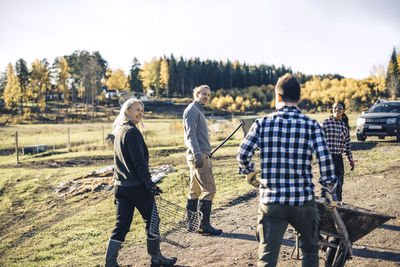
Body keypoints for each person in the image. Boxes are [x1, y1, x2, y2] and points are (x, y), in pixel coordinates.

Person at [237, 73, 337, 267]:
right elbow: (326, 163)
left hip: (271, 201)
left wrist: (250, 171)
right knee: (310, 252)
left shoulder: (261, 123)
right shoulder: (311, 125)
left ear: (278, 96)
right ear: (299, 99)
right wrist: (328, 188)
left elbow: (242, 155)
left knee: (267, 258)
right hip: (303, 202)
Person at [105, 98, 177, 267]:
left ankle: (110, 263)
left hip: (121, 188)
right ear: (127, 111)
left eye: (142, 110)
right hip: (136, 187)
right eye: (137, 109)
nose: (141, 113)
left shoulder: (119, 131)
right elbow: (139, 163)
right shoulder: (131, 132)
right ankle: (156, 258)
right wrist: (150, 184)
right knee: (153, 221)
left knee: (121, 226)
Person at [183, 85, 222, 236]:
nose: (206, 97)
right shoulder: (192, 110)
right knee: (210, 189)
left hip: (199, 155)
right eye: (203, 94)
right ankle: (204, 225)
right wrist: (198, 154)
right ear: (196, 94)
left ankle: (192, 225)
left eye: (208, 95)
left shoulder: (198, 110)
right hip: (199, 157)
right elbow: (190, 135)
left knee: (195, 191)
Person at [321, 101, 354, 203]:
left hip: (338, 159)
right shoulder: (325, 123)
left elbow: (347, 146)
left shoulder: (344, 127)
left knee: (339, 184)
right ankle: (324, 206)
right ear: (332, 109)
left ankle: (338, 205)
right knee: (327, 184)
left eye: (340, 108)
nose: (337, 110)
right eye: (335, 107)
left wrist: (350, 160)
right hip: (327, 159)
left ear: (343, 111)